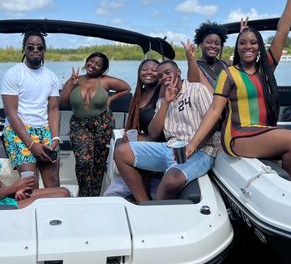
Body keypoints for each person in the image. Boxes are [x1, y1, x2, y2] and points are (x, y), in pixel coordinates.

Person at [184, 0, 291, 181]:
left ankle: (286, 182)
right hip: (238, 135)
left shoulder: (266, 68)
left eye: (253, 42)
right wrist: (193, 144)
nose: (248, 46)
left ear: (260, 45)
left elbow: (283, 31)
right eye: (242, 43)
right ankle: (286, 186)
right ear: (237, 47)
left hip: (263, 131)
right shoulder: (229, 74)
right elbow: (215, 111)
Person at [113, 60, 220, 201]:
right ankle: (144, 203)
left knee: (171, 180)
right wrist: (166, 102)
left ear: (178, 72)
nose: (164, 77)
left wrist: (192, 146)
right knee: (121, 152)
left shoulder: (197, 89)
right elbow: (153, 132)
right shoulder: (163, 100)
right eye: (160, 76)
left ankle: (157, 213)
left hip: (202, 150)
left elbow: (213, 123)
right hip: (170, 148)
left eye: (167, 73)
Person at [59, 52, 131, 197]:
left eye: (98, 64)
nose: (93, 65)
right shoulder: (74, 80)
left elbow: (127, 88)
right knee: (83, 162)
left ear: (102, 69)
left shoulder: (105, 81)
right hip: (79, 124)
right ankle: (84, 194)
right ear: (86, 62)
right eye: (91, 62)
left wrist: (111, 98)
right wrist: (71, 86)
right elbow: (62, 102)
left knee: (98, 164)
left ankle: (94, 195)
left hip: (102, 123)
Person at [1, 31, 62, 188]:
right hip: (19, 130)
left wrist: (55, 138)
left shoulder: (51, 76)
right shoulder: (13, 74)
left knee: (53, 181)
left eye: (39, 47)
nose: (35, 50)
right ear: (24, 49)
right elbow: (10, 112)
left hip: (44, 129)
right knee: (30, 183)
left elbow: (53, 110)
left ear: (44, 51)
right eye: (30, 47)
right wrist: (31, 144)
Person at [104, 59, 163, 198]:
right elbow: (135, 123)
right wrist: (128, 134)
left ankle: (143, 199)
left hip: (162, 140)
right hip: (148, 138)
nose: (148, 72)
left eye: (154, 70)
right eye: (144, 69)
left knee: (130, 148)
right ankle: (140, 192)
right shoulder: (139, 94)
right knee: (121, 143)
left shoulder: (162, 91)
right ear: (139, 73)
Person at [186, 21, 230, 91]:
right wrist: (190, 59)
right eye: (209, 42)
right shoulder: (196, 67)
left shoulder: (225, 63)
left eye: (217, 43)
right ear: (200, 44)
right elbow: (193, 84)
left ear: (221, 46)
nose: (213, 46)